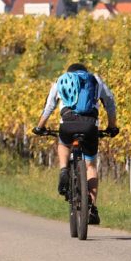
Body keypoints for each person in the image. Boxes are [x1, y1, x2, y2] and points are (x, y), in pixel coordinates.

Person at [32, 63, 119, 225]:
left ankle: (64, 169)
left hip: (68, 124)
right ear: (85, 72)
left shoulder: (60, 80)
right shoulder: (96, 80)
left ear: (69, 73)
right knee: (90, 165)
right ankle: (92, 208)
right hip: (90, 125)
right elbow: (110, 103)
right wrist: (112, 127)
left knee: (64, 144)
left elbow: (49, 106)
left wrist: (39, 127)